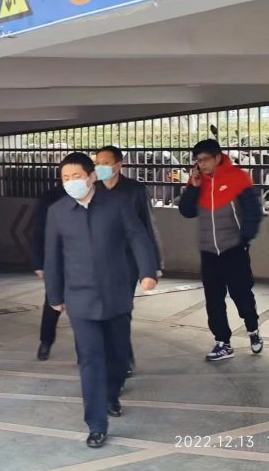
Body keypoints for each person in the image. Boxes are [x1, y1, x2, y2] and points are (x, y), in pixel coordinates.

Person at [44, 153, 158, 449]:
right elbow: (52, 255)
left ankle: (112, 393)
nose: (71, 182)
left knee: (118, 356)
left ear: (91, 177)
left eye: (76, 176)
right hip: (79, 297)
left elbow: (138, 237)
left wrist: (148, 272)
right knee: (90, 359)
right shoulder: (58, 211)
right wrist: (55, 295)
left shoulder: (117, 203)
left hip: (116, 293)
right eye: (65, 178)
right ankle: (96, 424)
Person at [178, 139, 264, 362]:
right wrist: (193, 187)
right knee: (214, 299)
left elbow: (254, 211)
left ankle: (253, 328)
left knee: (241, 294)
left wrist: (244, 240)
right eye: (197, 161)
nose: (201, 164)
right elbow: (186, 211)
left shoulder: (237, 177)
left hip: (233, 249)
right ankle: (223, 342)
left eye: (205, 159)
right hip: (208, 252)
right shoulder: (198, 181)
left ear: (217, 157)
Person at [95, 145, 164, 376]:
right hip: (99, 261)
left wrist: (153, 265)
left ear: (118, 165)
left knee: (121, 310)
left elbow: (148, 226)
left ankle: (123, 359)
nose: (100, 167)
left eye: (105, 163)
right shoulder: (92, 189)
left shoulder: (135, 190)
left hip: (127, 261)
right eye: (97, 163)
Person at [31, 184, 67, 361]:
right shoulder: (51, 197)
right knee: (52, 303)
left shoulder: (98, 196)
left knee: (84, 310)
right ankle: (46, 341)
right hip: (57, 260)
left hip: (85, 263)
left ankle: (84, 350)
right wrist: (39, 263)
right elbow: (38, 230)